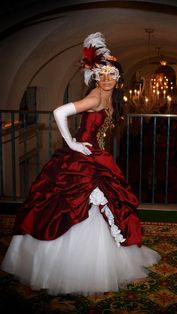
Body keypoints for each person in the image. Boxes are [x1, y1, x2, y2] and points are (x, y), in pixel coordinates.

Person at [1, 32, 161, 296]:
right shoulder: (96, 97)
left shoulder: (110, 97)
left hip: (98, 158)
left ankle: (100, 262)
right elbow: (59, 112)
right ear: (96, 76)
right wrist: (73, 144)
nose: (107, 79)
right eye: (102, 74)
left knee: (103, 207)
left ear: (118, 78)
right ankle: (71, 267)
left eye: (112, 74)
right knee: (78, 207)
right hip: (83, 161)